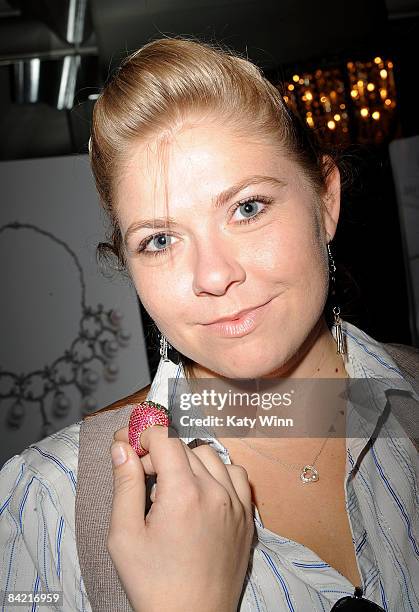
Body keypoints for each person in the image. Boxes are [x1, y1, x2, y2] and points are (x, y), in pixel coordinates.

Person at [1, 35, 418, 612]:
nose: (214, 276)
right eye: (161, 240)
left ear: (326, 202)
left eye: (247, 207)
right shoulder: (50, 500)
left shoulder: (409, 397)